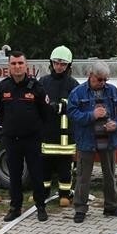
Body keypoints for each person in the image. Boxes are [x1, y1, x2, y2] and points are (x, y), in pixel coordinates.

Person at [67, 62, 117, 223]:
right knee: (83, 177)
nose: (102, 83)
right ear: (90, 75)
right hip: (86, 141)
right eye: (99, 79)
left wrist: (116, 123)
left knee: (110, 175)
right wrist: (92, 115)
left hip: (108, 141)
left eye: (105, 80)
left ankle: (111, 207)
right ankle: (80, 209)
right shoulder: (78, 92)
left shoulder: (112, 90)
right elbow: (72, 114)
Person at [0, 51, 50, 222]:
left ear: (26, 66)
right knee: (14, 175)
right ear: (9, 66)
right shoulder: (2, 87)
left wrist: (36, 131)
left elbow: (45, 113)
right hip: (11, 140)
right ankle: (15, 207)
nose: (17, 67)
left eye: (20, 63)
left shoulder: (36, 88)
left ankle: (41, 207)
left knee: (36, 174)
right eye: (13, 64)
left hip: (31, 140)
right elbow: (0, 112)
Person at [39, 45, 80, 208]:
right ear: (51, 63)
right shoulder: (43, 82)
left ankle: (64, 194)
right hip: (47, 134)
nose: (59, 66)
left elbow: (76, 105)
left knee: (65, 167)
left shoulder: (73, 84)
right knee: (44, 167)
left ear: (68, 66)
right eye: (56, 63)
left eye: (63, 64)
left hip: (65, 137)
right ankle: (43, 192)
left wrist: (61, 105)